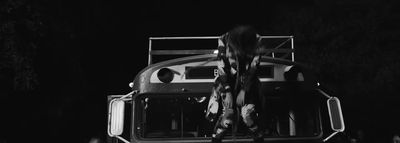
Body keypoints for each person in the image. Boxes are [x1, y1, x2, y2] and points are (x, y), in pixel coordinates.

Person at [205, 25, 264, 143]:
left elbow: (254, 67)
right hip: (226, 80)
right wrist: (227, 90)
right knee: (228, 114)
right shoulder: (224, 38)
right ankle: (215, 139)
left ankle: (259, 138)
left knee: (247, 115)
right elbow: (221, 65)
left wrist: (244, 90)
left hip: (247, 81)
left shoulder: (257, 39)